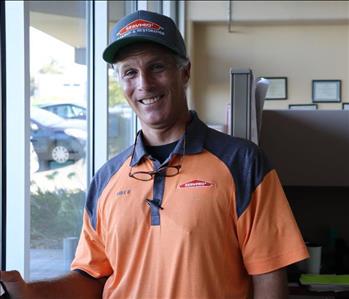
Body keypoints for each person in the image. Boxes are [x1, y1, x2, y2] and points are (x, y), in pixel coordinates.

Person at [0, 10, 308, 299]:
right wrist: (27, 292)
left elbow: (268, 273)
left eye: (156, 67)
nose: (144, 84)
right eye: (129, 72)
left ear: (184, 72)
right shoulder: (106, 178)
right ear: (120, 82)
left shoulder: (242, 163)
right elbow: (92, 278)